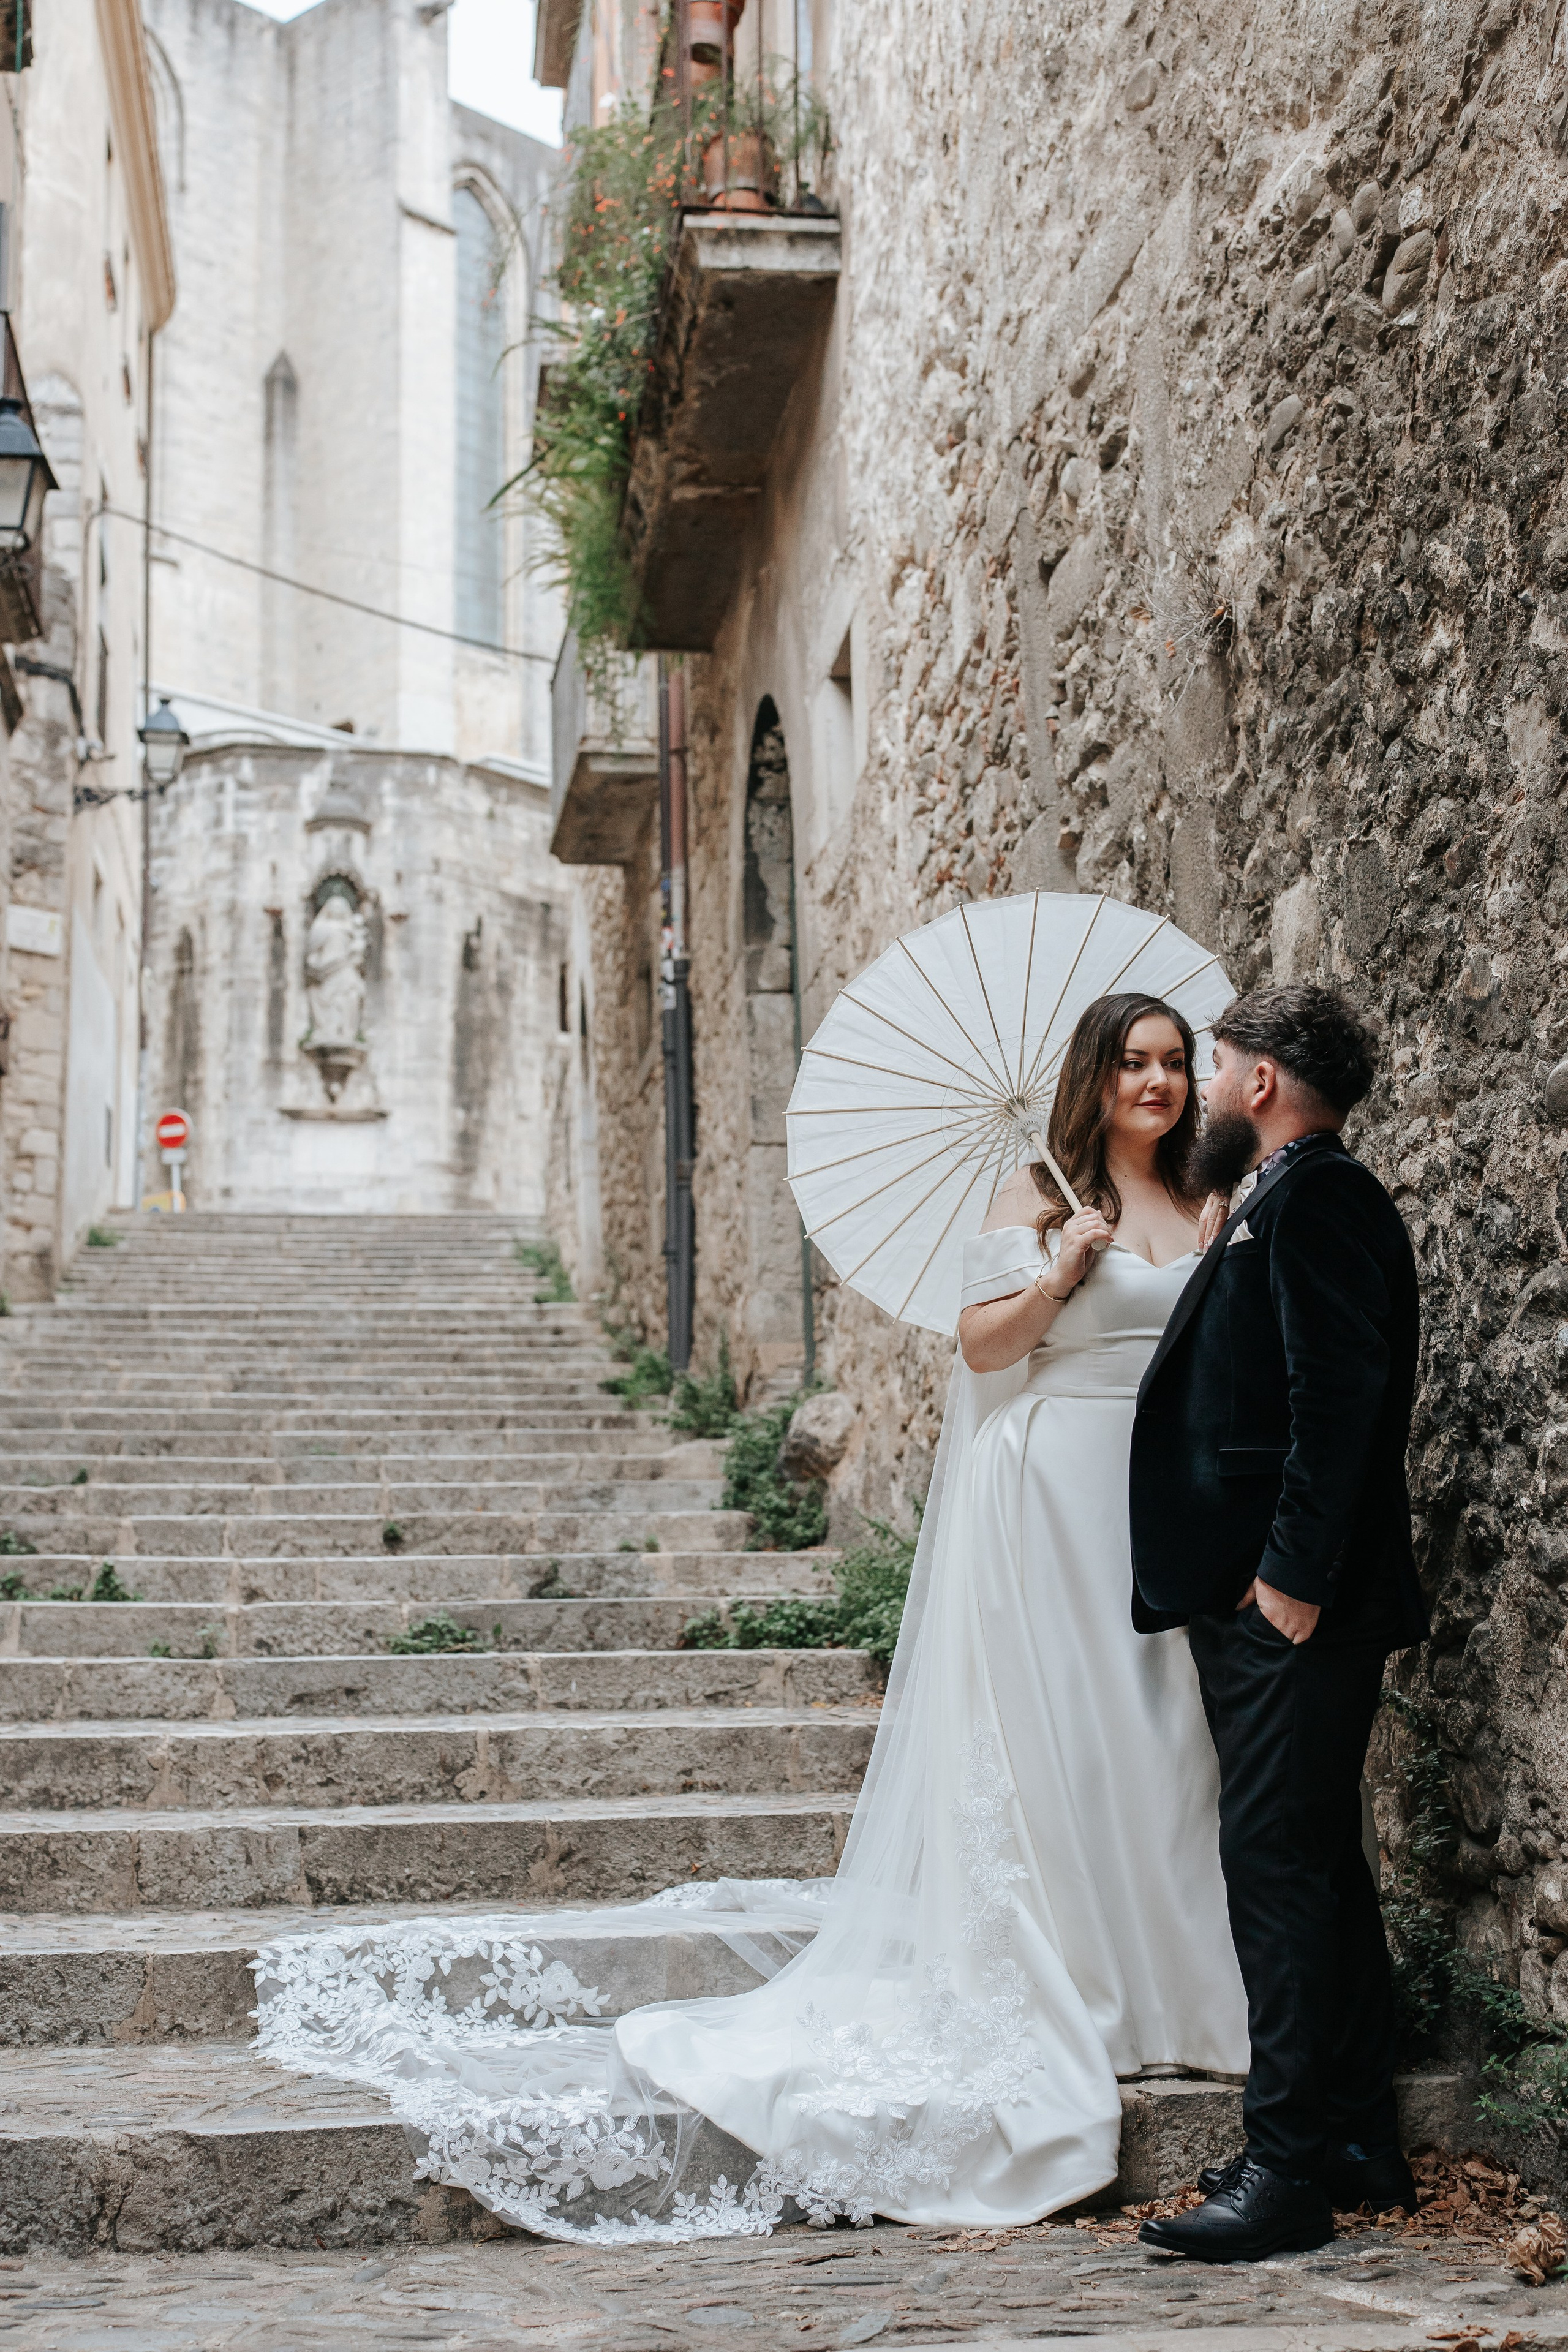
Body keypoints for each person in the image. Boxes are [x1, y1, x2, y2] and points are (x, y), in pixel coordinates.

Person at [250, 990, 1248, 2244]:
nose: (1155, 1083)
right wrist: (1059, 1274)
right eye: (1133, 1064)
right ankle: (1086, 1996)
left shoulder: (1207, 1202)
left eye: (1172, 1064)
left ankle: (1184, 1993)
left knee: (1165, 1744)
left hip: (1154, 1502)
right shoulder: (1036, 1200)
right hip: (1049, 1501)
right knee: (1071, 1746)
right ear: (1093, 1079)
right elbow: (984, 1350)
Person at [1129, 984, 1428, 2264]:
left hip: (1293, 1605)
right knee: (1312, 1865)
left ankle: (1286, 2169)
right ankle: (1355, 2139)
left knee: (1274, 1872)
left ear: (1258, 1083)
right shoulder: (1266, 1197)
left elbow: (1338, 1396)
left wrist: (1290, 1575)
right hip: (1262, 1597)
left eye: (1212, 1067)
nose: (1198, 1088)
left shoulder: (1321, 1198)